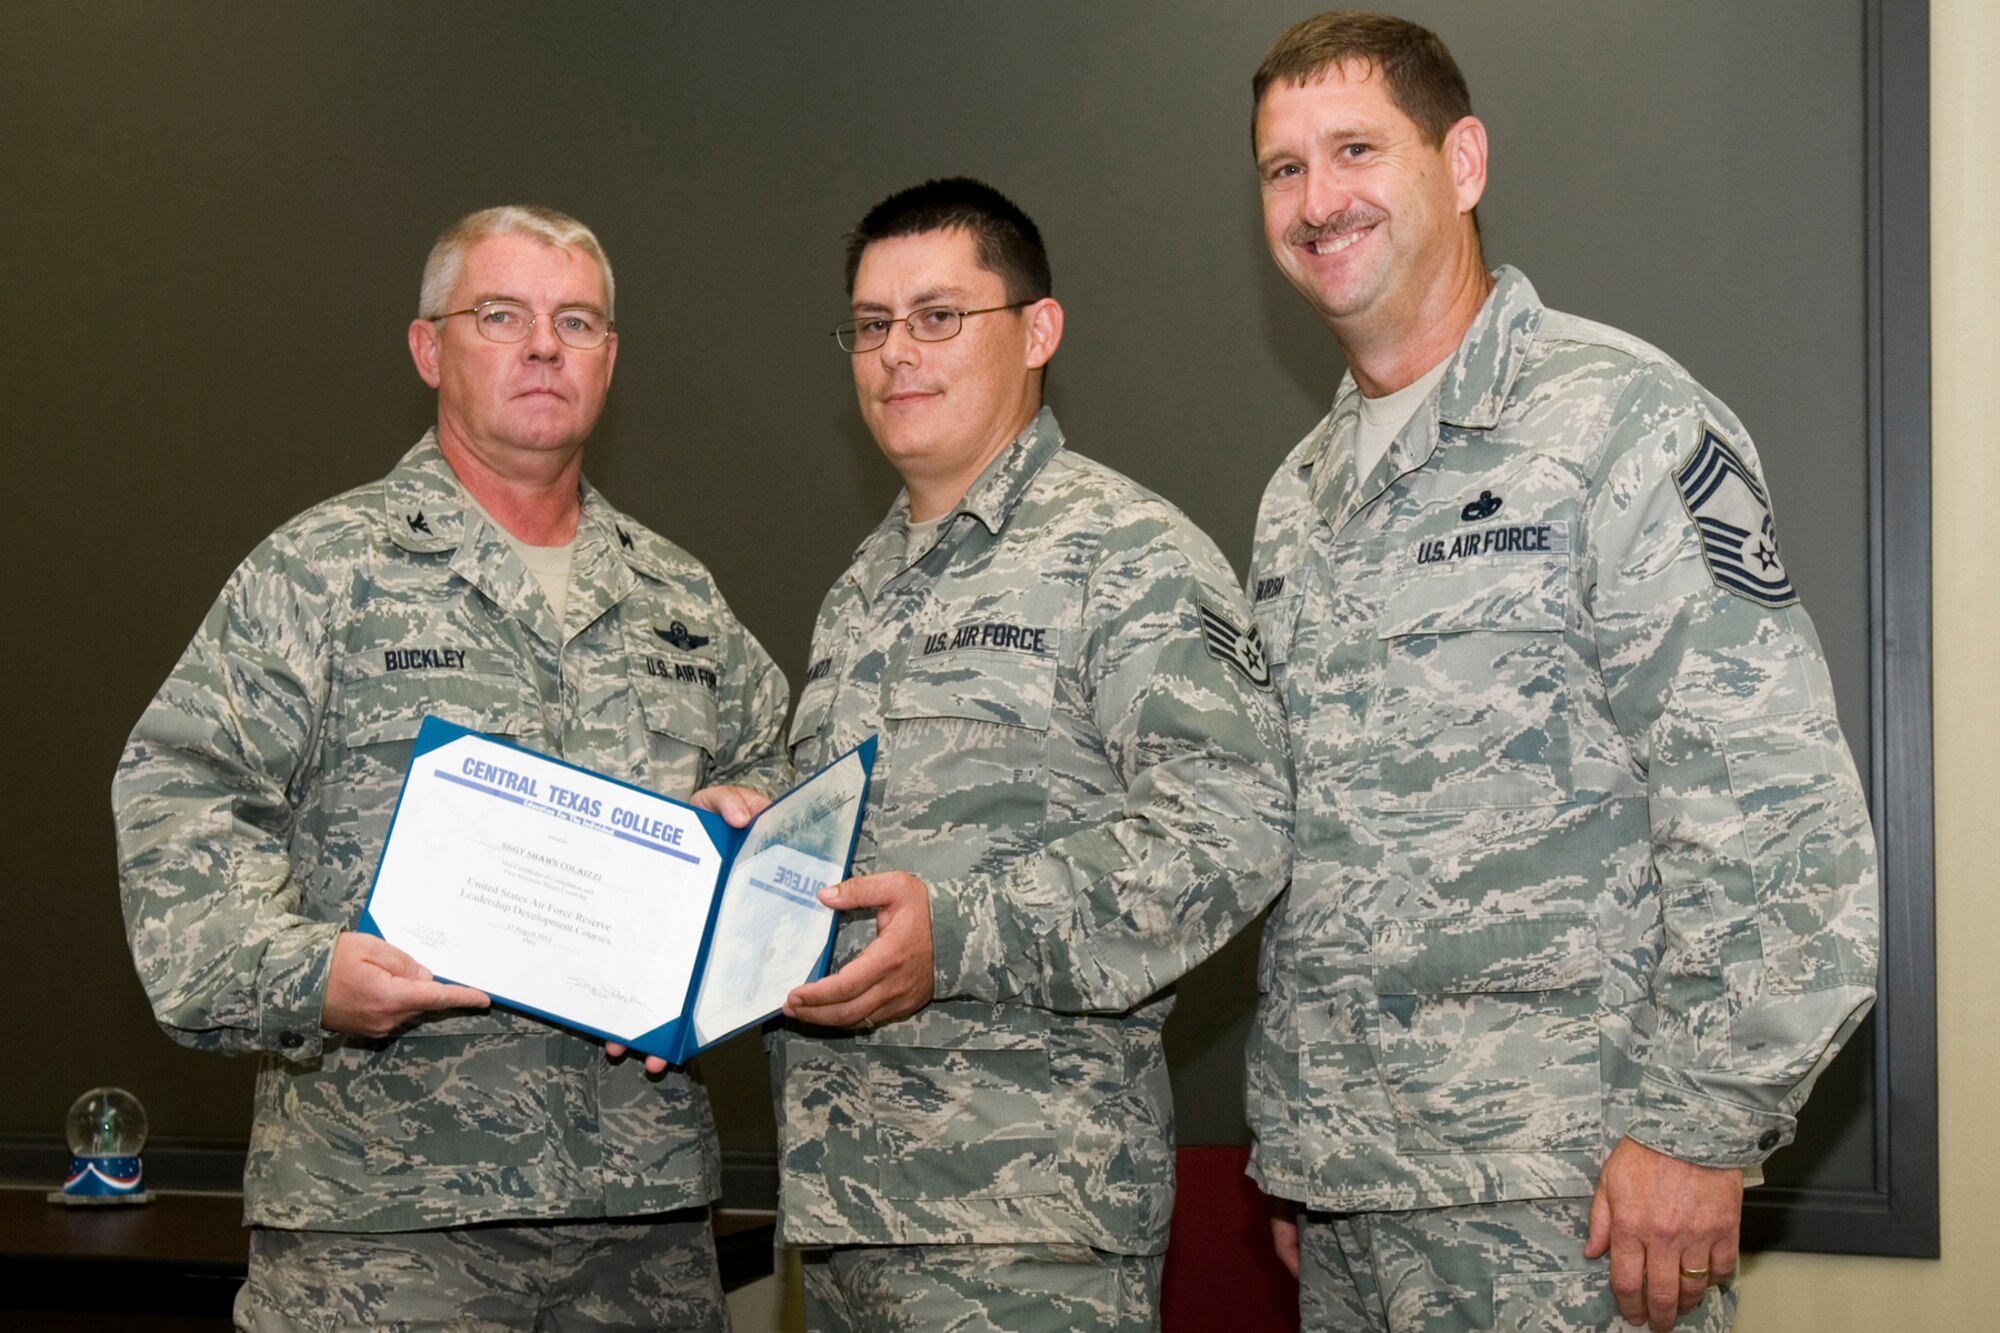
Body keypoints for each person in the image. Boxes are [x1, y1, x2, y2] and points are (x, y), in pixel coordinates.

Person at [1240, 13, 1880, 1333]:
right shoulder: (1299, 500)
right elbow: (1316, 849)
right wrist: (1313, 1149)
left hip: (1575, 1200)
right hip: (1352, 1202)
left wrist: (1701, 1130)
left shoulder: (1622, 424)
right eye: (1281, 169)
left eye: (1355, 148)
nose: (1317, 201)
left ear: (1461, 161)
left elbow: (1778, 818)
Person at [113, 205, 789, 1332]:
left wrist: (751, 816)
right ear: (430, 348)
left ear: (609, 359)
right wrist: (303, 973)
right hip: (380, 1217)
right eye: (501, 314)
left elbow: (785, 777)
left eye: (576, 320)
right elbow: (178, 799)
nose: (543, 345)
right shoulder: (322, 571)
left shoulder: (680, 598)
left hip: (641, 1222)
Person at [769, 177, 1293, 1331]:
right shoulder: (859, 592)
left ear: (1037, 331)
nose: (896, 352)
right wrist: (746, 837)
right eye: (870, 324)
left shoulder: (1128, 552)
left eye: (938, 316)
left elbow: (1231, 830)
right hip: (847, 1214)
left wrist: (955, 931)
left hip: (1027, 1226)